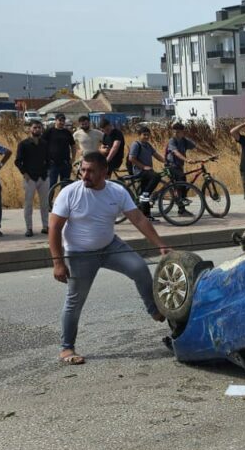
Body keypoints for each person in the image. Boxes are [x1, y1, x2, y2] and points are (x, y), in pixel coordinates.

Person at [48, 151, 170, 366]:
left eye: (90, 171)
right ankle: (67, 348)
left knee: (140, 268)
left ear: (104, 172)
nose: (85, 175)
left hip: (110, 246)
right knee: (75, 301)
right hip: (79, 254)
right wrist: (58, 262)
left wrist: (161, 245)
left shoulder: (117, 191)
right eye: (83, 170)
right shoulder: (69, 193)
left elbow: (139, 219)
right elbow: (54, 228)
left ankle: (154, 310)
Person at [15, 119, 50, 237]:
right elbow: (18, 161)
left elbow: (49, 159)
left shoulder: (45, 143)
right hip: (30, 178)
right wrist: (24, 173)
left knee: (45, 203)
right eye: (35, 127)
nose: (37, 129)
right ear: (30, 129)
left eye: (39, 127)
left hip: (43, 177)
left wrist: (47, 171)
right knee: (28, 204)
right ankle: (29, 228)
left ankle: (45, 226)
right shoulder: (23, 144)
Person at [127, 126, 164, 219]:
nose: (146, 137)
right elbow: (131, 158)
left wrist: (166, 161)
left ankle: (146, 215)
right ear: (139, 135)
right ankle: (144, 195)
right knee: (156, 176)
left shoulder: (148, 145)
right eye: (144, 135)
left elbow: (156, 155)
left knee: (145, 191)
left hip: (147, 171)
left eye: (148, 135)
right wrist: (143, 166)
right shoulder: (136, 144)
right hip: (139, 171)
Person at [43, 113, 77, 187]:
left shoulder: (67, 132)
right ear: (55, 120)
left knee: (65, 185)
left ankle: (63, 195)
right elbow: (42, 145)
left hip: (65, 163)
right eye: (60, 120)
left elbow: (73, 145)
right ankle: (50, 195)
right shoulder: (49, 131)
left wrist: (73, 158)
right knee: (51, 184)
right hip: (53, 163)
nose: (62, 122)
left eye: (63, 121)